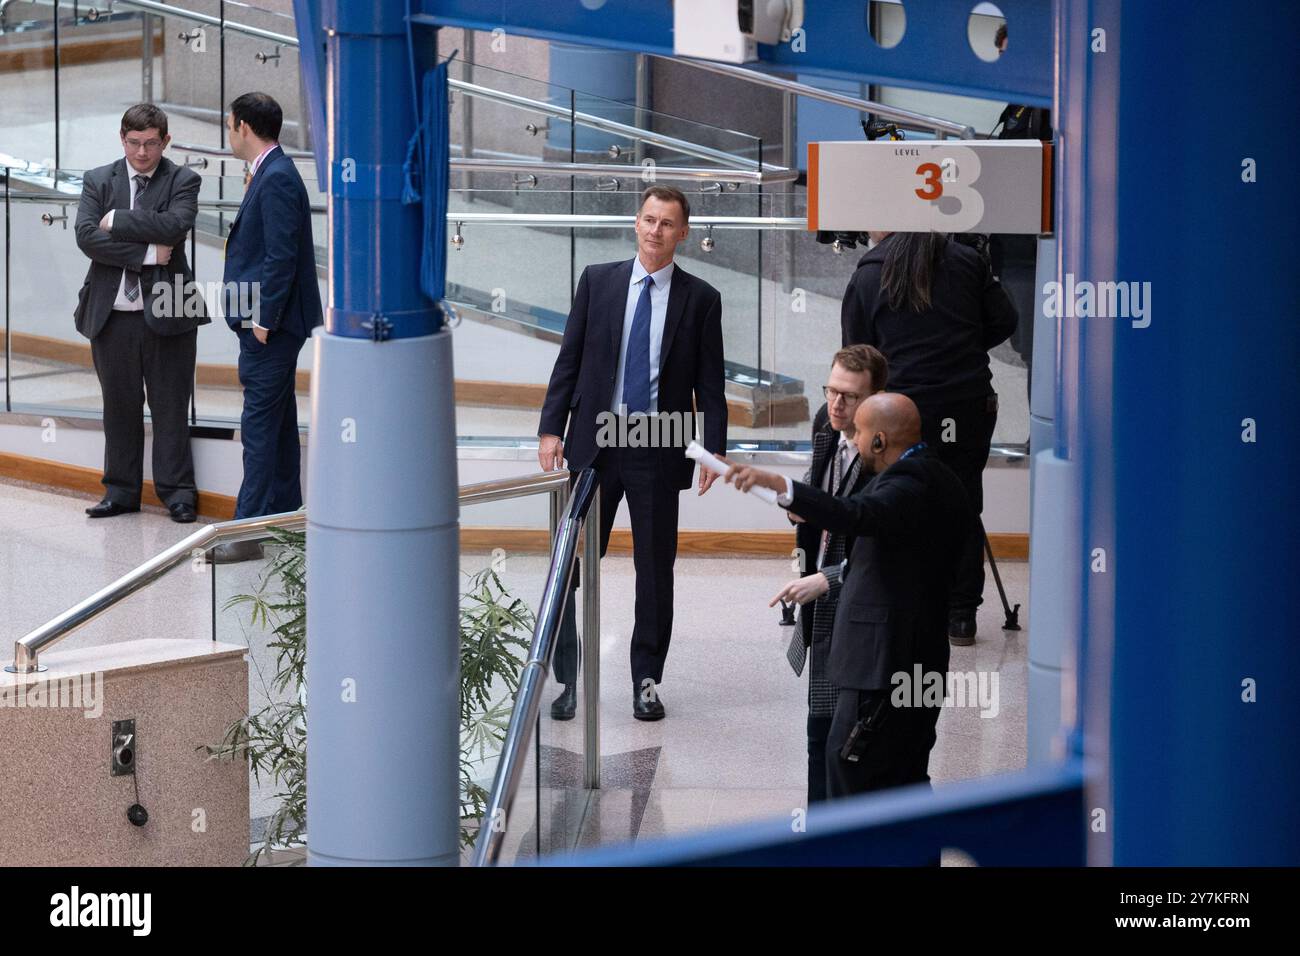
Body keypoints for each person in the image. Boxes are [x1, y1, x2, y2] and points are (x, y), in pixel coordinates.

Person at [723, 393, 972, 799]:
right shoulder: (942, 478)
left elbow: (856, 515)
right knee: (906, 778)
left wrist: (783, 486)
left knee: (850, 770)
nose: (852, 440)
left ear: (879, 440)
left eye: (858, 432)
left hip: (884, 668)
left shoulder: (909, 485)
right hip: (918, 660)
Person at [538, 184, 726, 721]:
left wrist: (712, 449)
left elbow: (710, 386)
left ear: (682, 233)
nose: (654, 230)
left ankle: (646, 679)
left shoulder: (702, 299)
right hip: (594, 443)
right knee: (571, 567)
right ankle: (568, 680)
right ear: (635, 222)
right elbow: (568, 358)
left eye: (666, 223)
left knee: (654, 569)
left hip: (656, 446)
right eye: (648, 219)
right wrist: (552, 428)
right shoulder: (598, 281)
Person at [841, 230, 1017, 645]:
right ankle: (960, 614)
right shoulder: (967, 260)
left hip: (900, 411)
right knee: (963, 498)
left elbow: (857, 352)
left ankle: (897, 598)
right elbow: (1005, 320)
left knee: (893, 498)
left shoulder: (869, 272)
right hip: (968, 402)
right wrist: (964, 345)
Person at [74, 103, 207, 524]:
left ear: (165, 141)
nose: (143, 153)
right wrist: (148, 252)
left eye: (151, 144)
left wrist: (117, 220)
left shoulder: (184, 179)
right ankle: (120, 491)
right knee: (119, 406)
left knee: (170, 405)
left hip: (170, 308)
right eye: (134, 143)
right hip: (111, 314)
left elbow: (175, 226)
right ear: (122, 138)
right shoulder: (98, 179)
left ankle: (178, 493)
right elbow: (87, 237)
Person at [769, 344, 886, 803]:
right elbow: (819, 494)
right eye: (831, 390)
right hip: (820, 604)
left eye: (849, 397)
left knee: (844, 739)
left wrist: (827, 579)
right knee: (819, 732)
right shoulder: (826, 422)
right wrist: (798, 509)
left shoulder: (885, 459)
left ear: (875, 399)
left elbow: (880, 548)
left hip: (855, 608)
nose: (836, 404)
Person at [209, 92, 323, 564]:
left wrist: (262, 322)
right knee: (274, 425)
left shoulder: (275, 177)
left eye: (229, 124)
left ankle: (246, 530)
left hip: (270, 327)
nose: (228, 132)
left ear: (243, 128)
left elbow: (281, 256)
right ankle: (283, 514)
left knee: (257, 426)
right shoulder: (272, 170)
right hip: (268, 322)